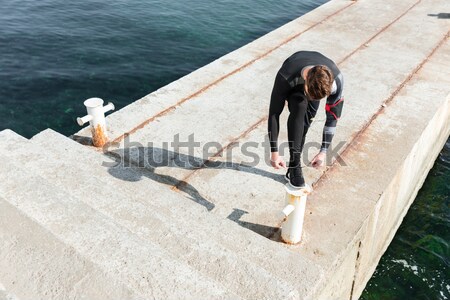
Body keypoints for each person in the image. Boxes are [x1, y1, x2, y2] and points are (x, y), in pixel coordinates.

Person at [268, 50, 344, 189]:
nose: (313, 100)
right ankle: (296, 166)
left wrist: (323, 152)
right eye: (312, 96)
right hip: (294, 76)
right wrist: (274, 153)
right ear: (307, 81)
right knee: (300, 105)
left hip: (314, 80)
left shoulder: (337, 81)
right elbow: (274, 114)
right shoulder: (285, 76)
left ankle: (291, 168)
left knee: (305, 123)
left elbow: (332, 118)